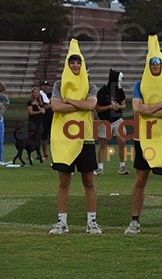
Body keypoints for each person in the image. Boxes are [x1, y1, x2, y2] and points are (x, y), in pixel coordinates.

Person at [124, 34, 162, 235]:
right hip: (144, 137)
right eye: (153, 62)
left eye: (158, 62)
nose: (156, 65)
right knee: (140, 179)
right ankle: (135, 221)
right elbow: (136, 109)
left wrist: (149, 108)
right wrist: (160, 105)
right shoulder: (139, 85)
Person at [48, 38, 102, 235]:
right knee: (64, 181)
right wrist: (79, 103)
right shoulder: (58, 84)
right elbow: (55, 106)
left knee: (88, 181)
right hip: (64, 139)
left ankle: (92, 222)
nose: (75, 65)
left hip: (85, 138)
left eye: (78, 61)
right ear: (67, 64)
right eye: (72, 61)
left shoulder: (90, 85)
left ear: (83, 63)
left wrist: (69, 100)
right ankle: (62, 222)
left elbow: (90, 105)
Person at [95, 69, 128, 175]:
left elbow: (124, 105)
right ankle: (100, 167)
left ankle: (122, 166)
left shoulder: (120, 91)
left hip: (117, 119)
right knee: (102, 143)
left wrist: (118, 106)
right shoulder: (102, 91)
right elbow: (97, 108)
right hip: (104, 120)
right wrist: (109, 107)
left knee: (122, 140)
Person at [39, 80, 53, 160]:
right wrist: (52, 104)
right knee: (44, 137)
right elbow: (44, 106)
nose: (46, 87)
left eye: (47, 85)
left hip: (52, 117)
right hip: (43, 119)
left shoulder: (51, 94)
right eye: (44, 85)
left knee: (52, 137)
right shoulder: (40, 95)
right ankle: (45, 154)